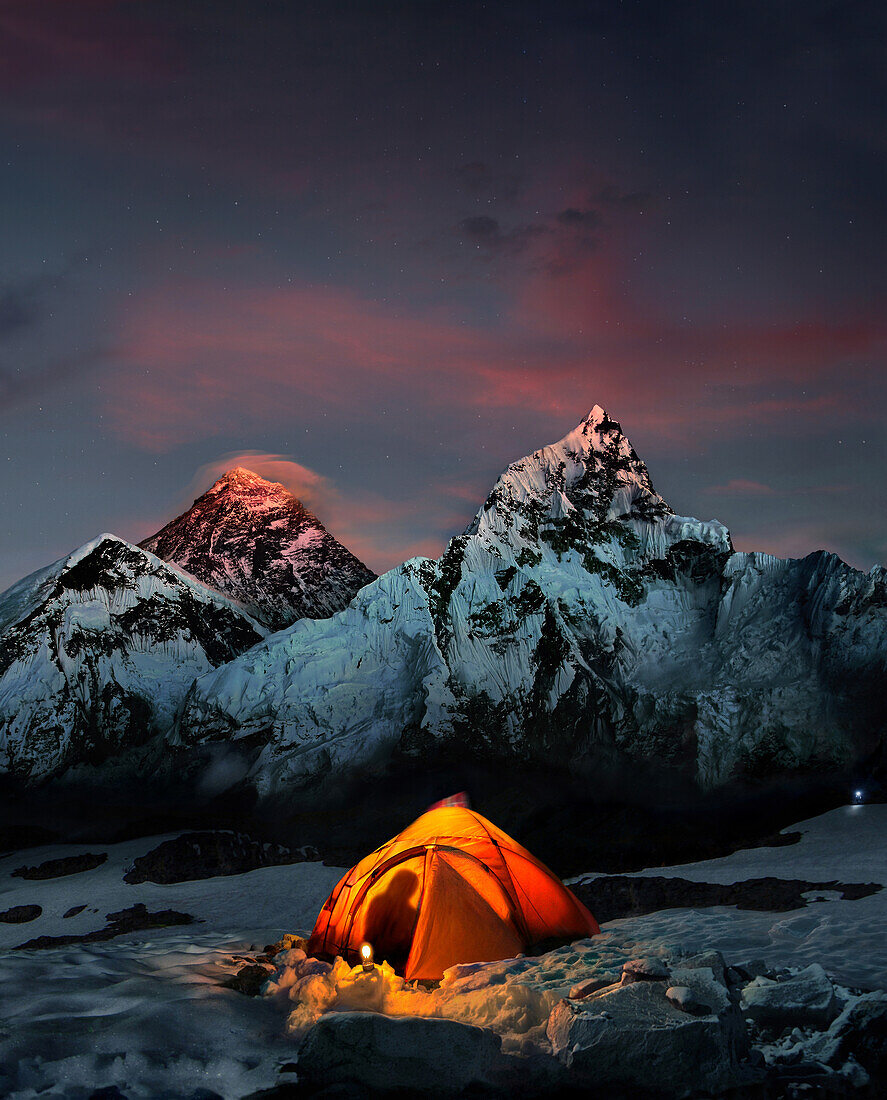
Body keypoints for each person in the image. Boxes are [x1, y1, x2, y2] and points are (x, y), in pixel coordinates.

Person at [362, 867, 420, 972]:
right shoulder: (409, 911)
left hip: (377, 952)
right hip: (393, 957)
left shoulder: (378, 901)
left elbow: (369, 932)